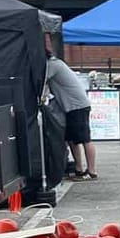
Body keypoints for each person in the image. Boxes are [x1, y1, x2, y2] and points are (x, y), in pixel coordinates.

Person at [45, 51, 98, 181]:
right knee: (72, 139)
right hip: (71, 107)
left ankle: (92, 171)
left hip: (77, 106)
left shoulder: (53, 65)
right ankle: (79, 168)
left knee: (85, 139)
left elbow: (41, 80)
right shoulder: (57, 64)